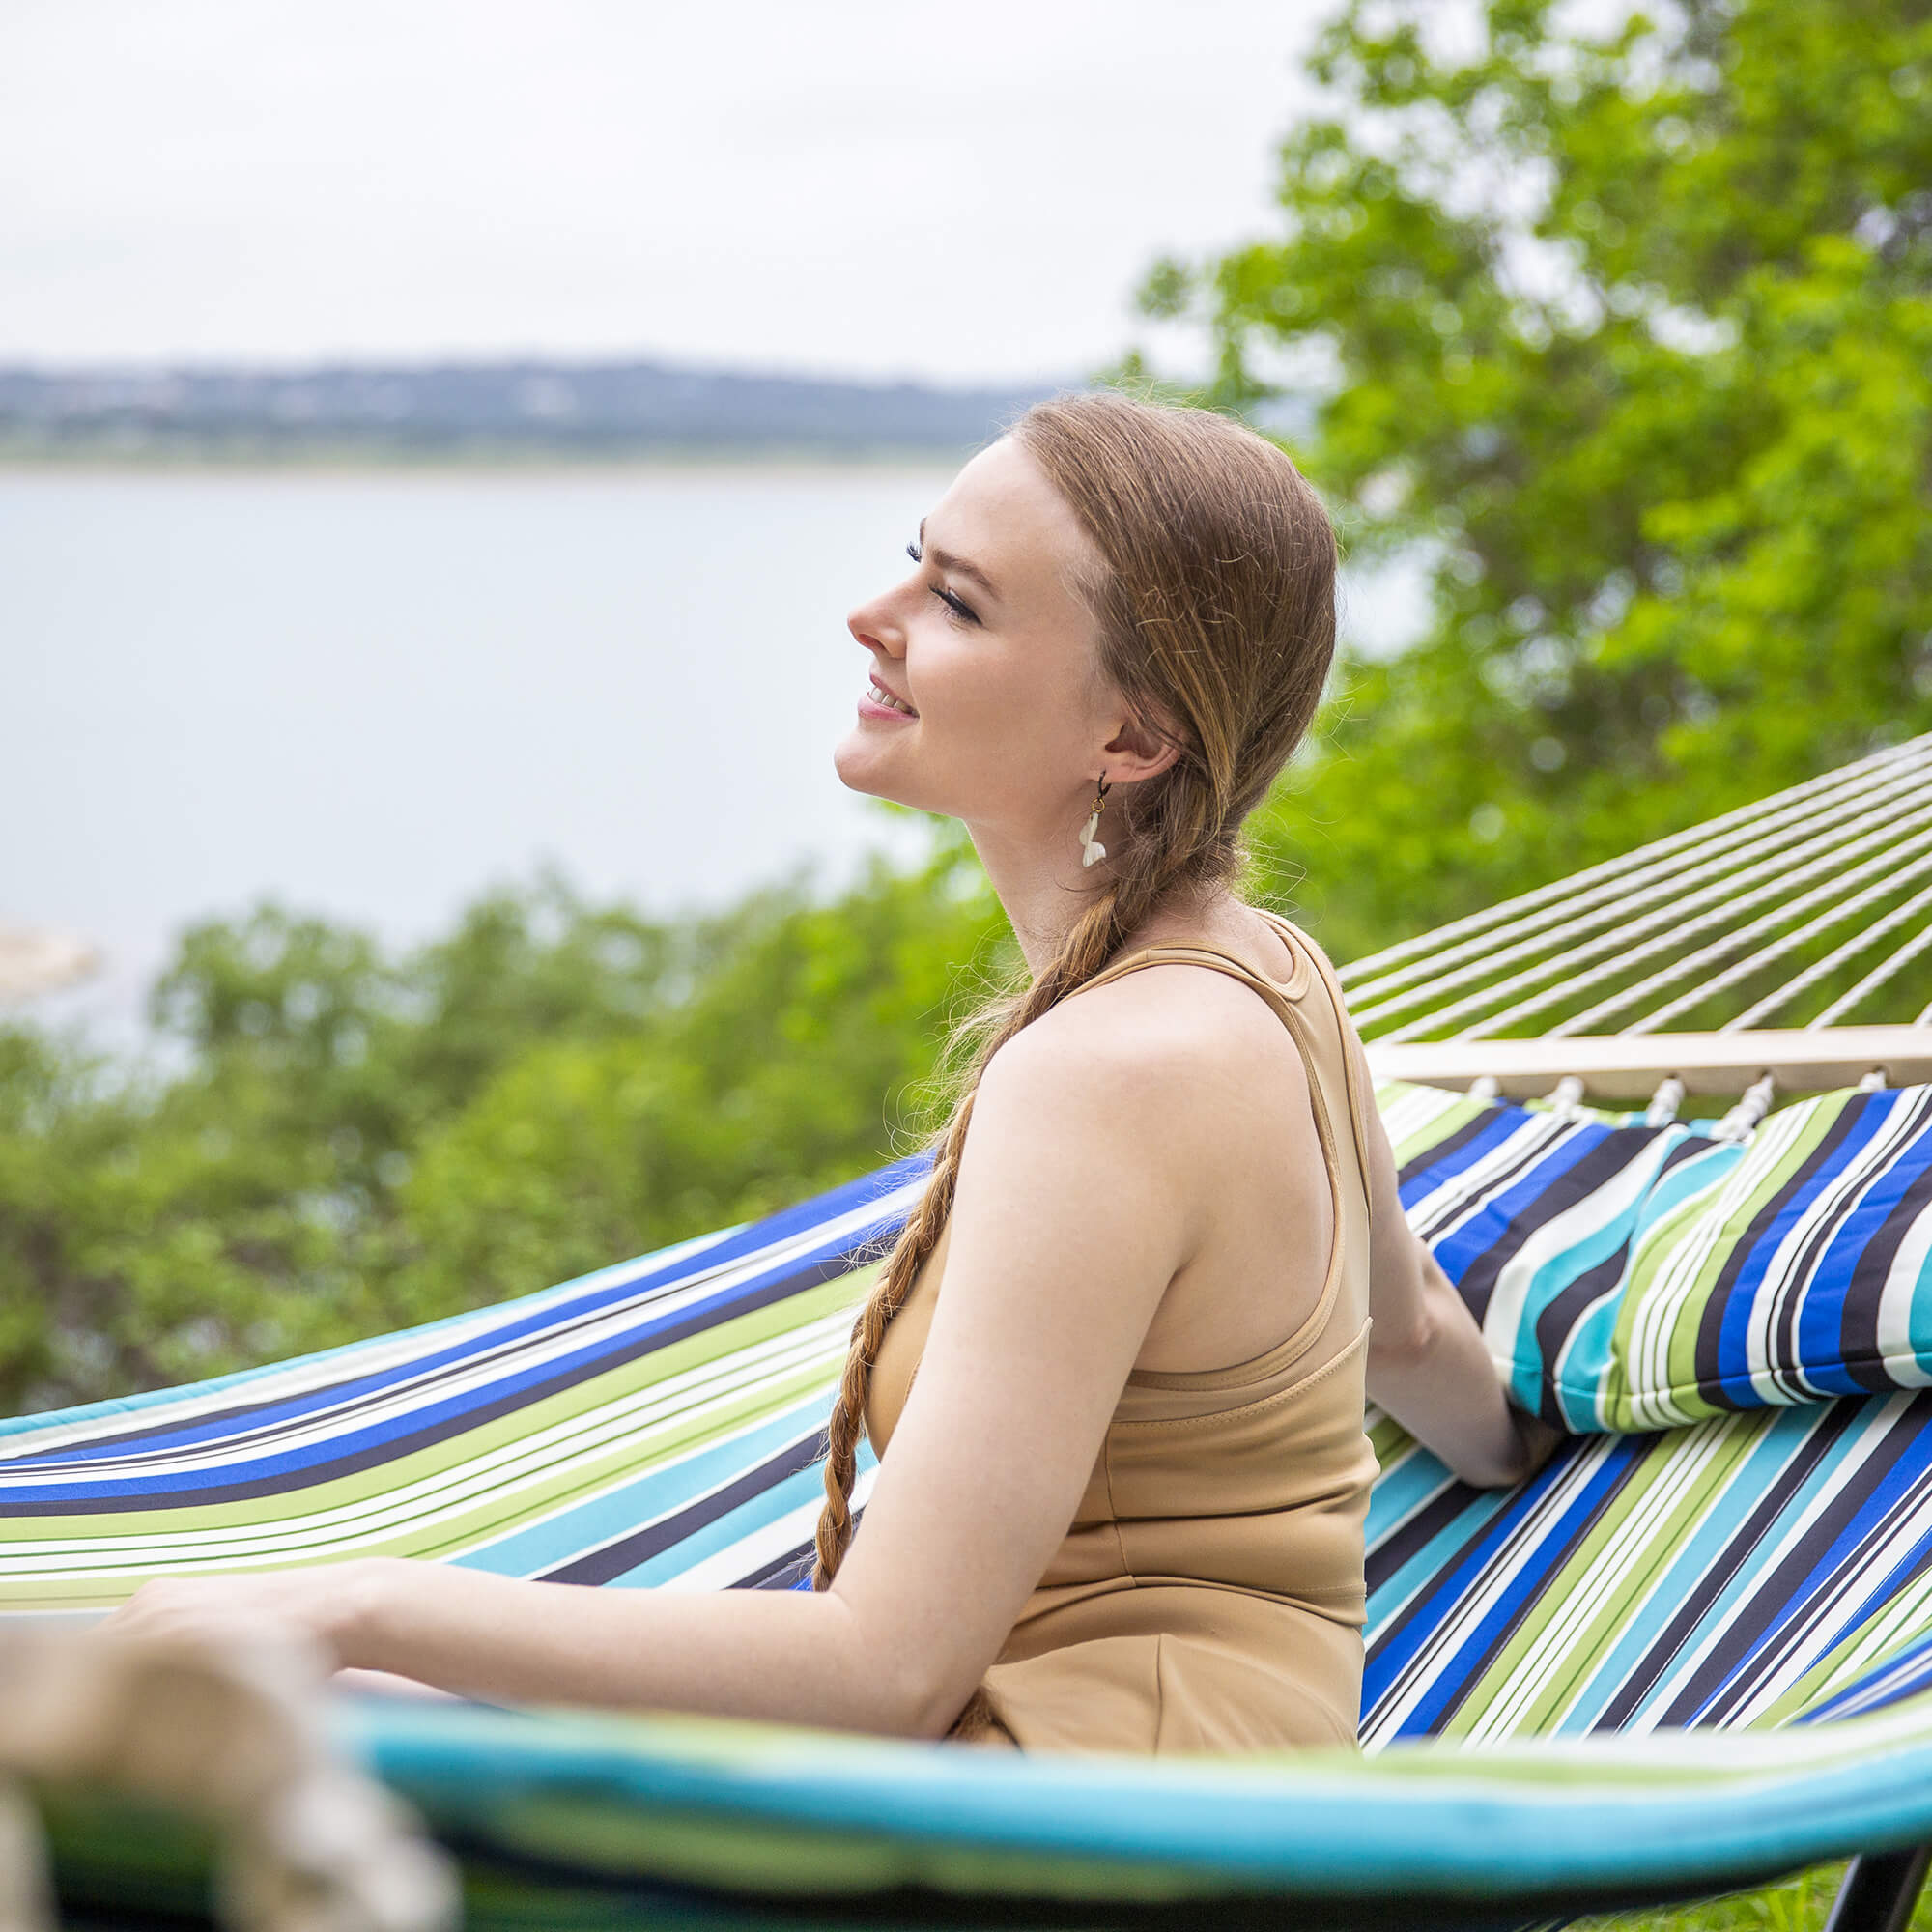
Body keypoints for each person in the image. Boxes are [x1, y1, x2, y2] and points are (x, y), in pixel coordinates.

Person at [102, 391, 1560, 1752]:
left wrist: (356, 1597)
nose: (874, 617)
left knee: (252, 1720)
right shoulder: (1273, 975)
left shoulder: (1110, 1075)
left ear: (1133, 735)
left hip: (1104, 1843)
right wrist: (1530, 1455)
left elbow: (882, 1672)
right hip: (1192, 1785)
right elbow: (1416, 1331)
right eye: (913, 562)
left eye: (957, 602)